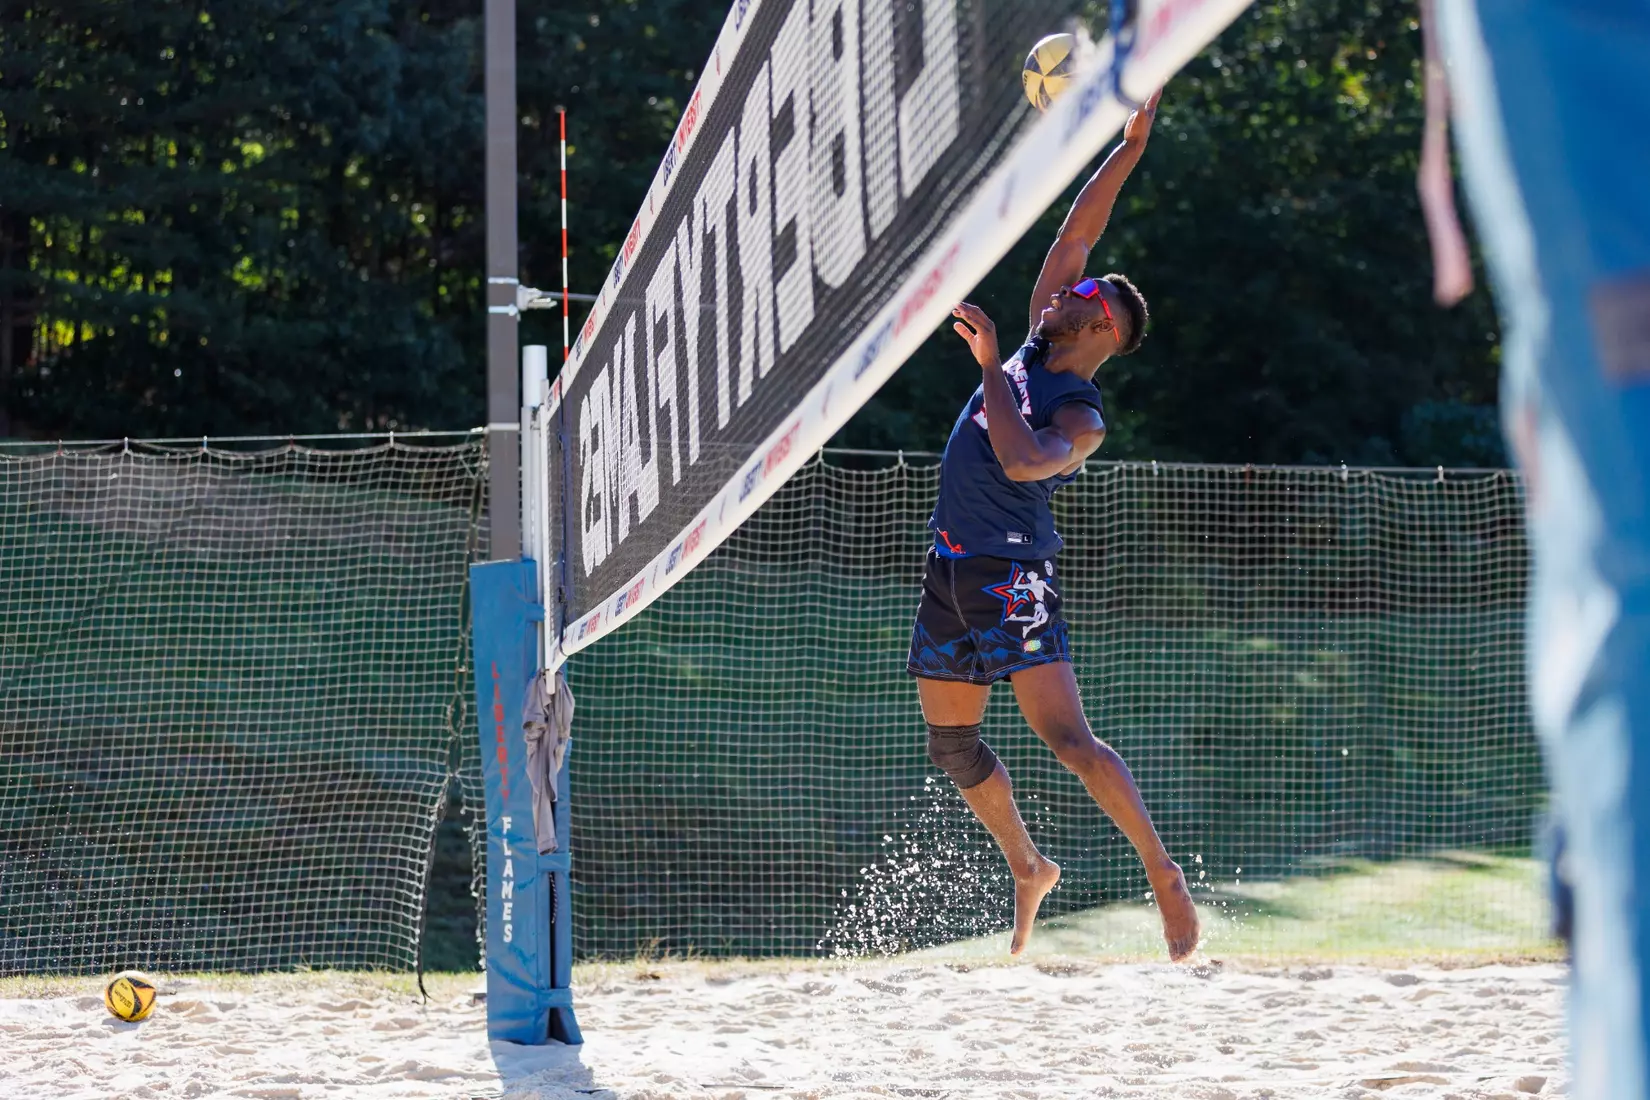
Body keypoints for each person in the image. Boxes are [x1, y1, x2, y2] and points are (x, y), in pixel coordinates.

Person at [905, 89, 1198, 960]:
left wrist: (991, 363)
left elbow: (1027, 458)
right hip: (952, 566)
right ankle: (1029, 866)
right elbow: (1081, 226)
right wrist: (1131, 147)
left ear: (1099, 322)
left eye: (1080, 290)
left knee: (1068, 739)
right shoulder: (1040, 332)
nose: (1064, 285)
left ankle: (1162, 876)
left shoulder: (1080, 411)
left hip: (1011, 573)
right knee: (951, 740)